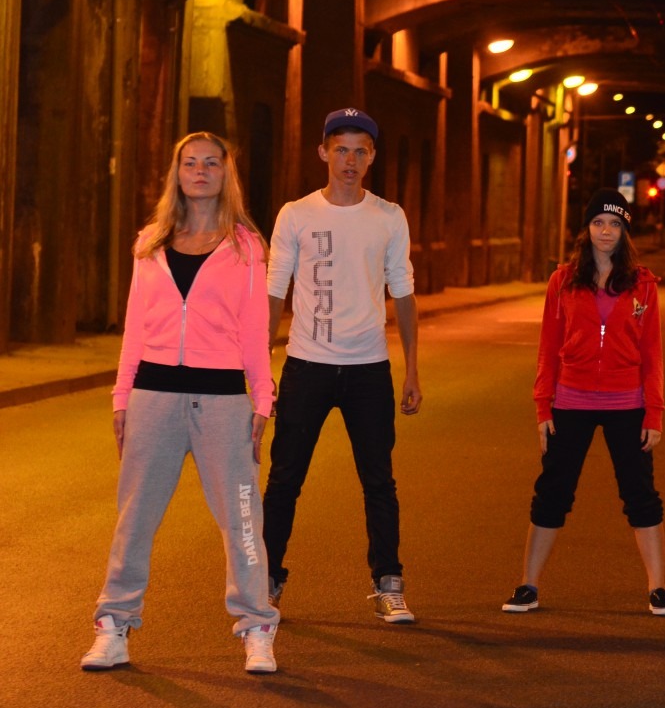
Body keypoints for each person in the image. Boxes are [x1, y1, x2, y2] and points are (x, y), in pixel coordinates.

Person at [82, 132, 280, 674]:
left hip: (222, 399)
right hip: (154, 394)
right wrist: (121, 396)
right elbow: (135, 327)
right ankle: (113, 626)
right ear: (177, 173)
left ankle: (257, 628)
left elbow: (255, 329)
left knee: (242, 519)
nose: (200, 171)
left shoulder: (245, 247)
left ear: (225, 174)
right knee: (135, 518)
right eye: (190, 163)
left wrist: (263, 399)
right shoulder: (150, 243)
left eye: (211, 163)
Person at [262, 108, 421, 623]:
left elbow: (403, 291)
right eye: (341, 150)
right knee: (284, 480)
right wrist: (260, 366)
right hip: (306, 365)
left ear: (372, 157)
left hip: (368, 368)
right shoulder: (296, 214)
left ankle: (389, 583)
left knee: (379, 482)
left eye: (360, 151)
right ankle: (266, 582)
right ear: (323, 153)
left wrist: (412, 368)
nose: (350, 160)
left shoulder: (389, 216)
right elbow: (274, 289)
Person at [504, 189, 665, 615]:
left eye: (615, 224)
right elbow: (548, 347)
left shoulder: (643, 285)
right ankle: (527, 585)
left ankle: (658, 589)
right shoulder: (563, 281)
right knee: (552, 492)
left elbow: (652, 353)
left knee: (640, 495)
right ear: (586, 229)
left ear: (625, 231)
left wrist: (654, 412)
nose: (606, 231)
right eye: (599, 222)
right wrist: (543, 406)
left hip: (627, 403)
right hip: (571, 401)